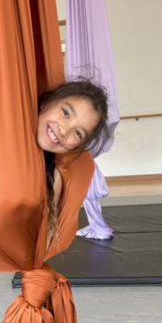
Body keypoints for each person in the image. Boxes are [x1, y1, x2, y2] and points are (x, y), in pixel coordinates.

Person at [35, 80, 110, 249]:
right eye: (66, 113)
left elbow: (43, 241)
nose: (64, 130)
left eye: (77, 133)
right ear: (47, 102)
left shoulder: (54, 179)